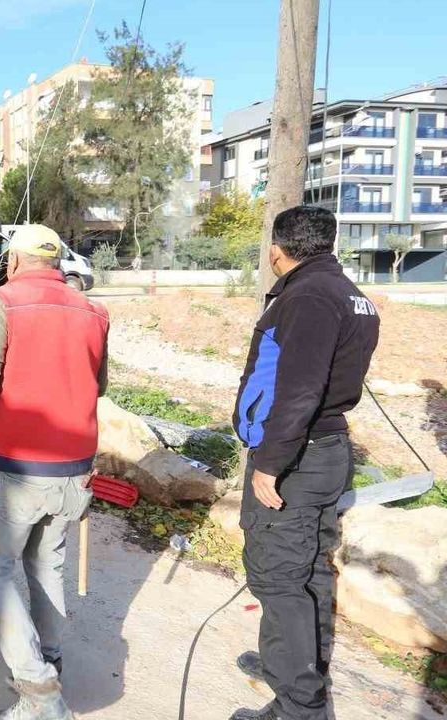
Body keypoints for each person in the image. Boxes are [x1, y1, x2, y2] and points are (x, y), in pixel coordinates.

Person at [0, 224, 110, 720]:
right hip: (75, 468)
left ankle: (40, 692)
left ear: (14, 261)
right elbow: (99, 384)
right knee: (46, 565)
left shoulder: (4, 303)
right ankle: (50, 656)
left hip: (18, 468)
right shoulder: (94, 311)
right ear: (57, 262)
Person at [229, 206, 379, 720]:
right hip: (323, 449)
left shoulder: (308, 297)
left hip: (298, 456)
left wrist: (270, 463)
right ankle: (292, 666)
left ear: (277, 249)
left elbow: (300, 390)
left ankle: (298, 705)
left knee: (278, 577)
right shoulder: (349, 294)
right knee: (306, 569)